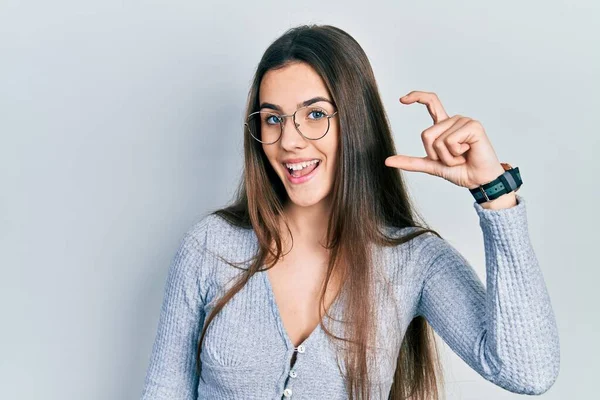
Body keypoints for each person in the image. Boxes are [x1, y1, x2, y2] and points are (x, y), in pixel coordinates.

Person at [141, 24, 560, 400]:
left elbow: (528, 372)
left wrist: (496, 194)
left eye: (316, 114)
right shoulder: (210, 245)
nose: (290, 140)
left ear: (356, 122)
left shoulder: (412, 259)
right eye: (273, 119)